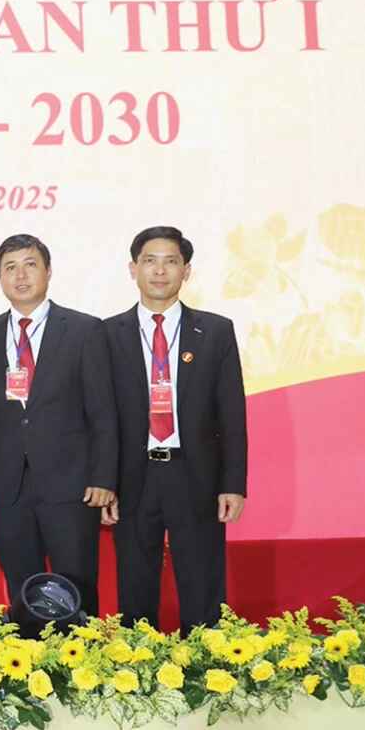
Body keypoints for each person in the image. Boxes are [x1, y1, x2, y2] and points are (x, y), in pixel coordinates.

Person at [0, 235, 118, 631]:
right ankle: (30, 672)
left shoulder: (85, 330)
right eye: (10, 267)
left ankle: (85, 671)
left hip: (71, 485)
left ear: (48, 271)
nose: (20, 275)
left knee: (76, 584)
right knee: (22, 585)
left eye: (30, 264)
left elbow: (103, 411)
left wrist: (104, 478)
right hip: (8, 487)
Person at [101, 227, 248, 632]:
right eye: (150, 261)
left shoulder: (216, 331)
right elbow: (102, 416)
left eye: (171, 261)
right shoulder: (107, 334)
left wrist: (233, 483)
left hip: (194, 474)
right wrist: (105, 481)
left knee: (202, 582)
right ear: (133, 269)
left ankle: (206, 672)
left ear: (187, 271)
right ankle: (140, 674)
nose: (160, 271)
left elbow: (231, 413)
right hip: (134, 477)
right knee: (134, 582)